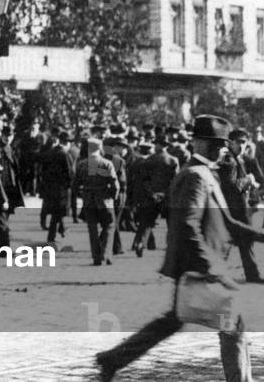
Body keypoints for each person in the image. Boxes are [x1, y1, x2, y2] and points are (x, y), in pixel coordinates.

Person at [96, 115, 264, 382]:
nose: (224, 149)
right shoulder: (196, 176)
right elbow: (187, 224)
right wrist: (209, 267)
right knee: (232, 324)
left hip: (193, 265)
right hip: (197, 267)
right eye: (219, 144)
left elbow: (227, 222)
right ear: (202, 144)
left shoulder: (204, 173)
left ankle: (113, 358)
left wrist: (259, 235)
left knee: (176, 321)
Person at [218, 128, 264, 283]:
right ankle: (214, 272)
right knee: (224, 241)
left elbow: (261, 179)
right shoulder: (226, 160)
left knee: (246, 241)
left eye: (244, 142)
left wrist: (257, 190)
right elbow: (230, 186)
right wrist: (248, 181)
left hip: (244, 208)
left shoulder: (248, 160)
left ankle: (252, 275)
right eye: (239, 142)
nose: (242, 146)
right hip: (227, 207)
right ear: (230, 142)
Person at [74, 138, 119, 266]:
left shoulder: (81, 164)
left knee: (92, 229)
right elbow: (115, 185)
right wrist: (112, 197)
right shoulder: (107, 164)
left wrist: (81, 196)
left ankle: (96, 257)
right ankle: (106, 254)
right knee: (109, 226)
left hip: (88, 201)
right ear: (100, 149)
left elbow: (75, 185)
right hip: (105, 201)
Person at [132, 136, 178, 257]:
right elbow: (175, 181)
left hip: (151, 196)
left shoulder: (149, 160)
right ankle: (170, 247)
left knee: (147, 222)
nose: (156, 146)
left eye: (157, 144)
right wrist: (165, 193)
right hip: (167, 197)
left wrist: (152, 193)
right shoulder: (173, 160)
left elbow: (144, 179)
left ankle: (141, 244)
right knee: (170, 223)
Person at [40, 131, 74, 246]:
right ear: (67, 143)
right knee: (58, 213)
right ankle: (52, 236)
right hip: (61, 188)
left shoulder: (49, 153)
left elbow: (42, 170)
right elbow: (70, 173)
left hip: (49, 188)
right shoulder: (65, 155)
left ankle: (61, 229)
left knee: (56, 212)